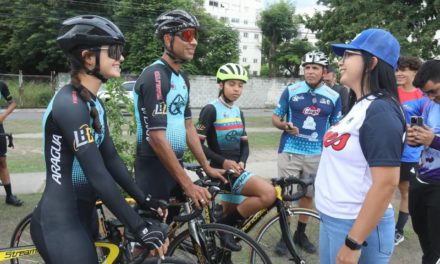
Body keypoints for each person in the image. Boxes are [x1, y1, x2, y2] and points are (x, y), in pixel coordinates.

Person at [30, 15, 168, 263]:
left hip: (86, 215)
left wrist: (144, 199)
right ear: (88, 57)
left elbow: (112, 160)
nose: (121, 58)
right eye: (114, 51)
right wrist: (140, 227)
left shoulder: (93, 103)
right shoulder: (68, 104)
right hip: (61, 221)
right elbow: (97, 174)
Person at [315, 28, 406, 264]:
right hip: (333, 218)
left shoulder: (381, 110)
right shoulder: (357, 105)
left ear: (372, 62)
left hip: (356, 226)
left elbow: (386, 183)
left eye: (348, 55)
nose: (341, 62)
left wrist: (353, 242)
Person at [133, 9, 226, 222]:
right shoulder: (155, 75)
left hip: (175, 166)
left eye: (195, 36)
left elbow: (188, 127)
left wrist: (206, 166)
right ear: (168, 38)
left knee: (172, 229)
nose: (193, 42)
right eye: (187, 35)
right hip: (153, 169)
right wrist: (187, 183)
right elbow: (156, 137)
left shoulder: (182, 77)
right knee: (151, 239)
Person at [196, 63, 276, 250]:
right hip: (220, 171)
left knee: (233, 223)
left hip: (236, 169)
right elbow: (198, 145)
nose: (237, 89)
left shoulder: (238, 111)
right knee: (268, 193)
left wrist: (241, 161)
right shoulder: (211, 109)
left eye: (240, 85)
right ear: (220, 85)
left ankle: (224, 245)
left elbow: (244, 144)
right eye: (232, 84)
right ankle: (223, 227)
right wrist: (224, 162)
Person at [272, 50, 342, 255]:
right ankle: (285, 236)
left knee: (309, 195)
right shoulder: (291, 90)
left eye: (315, 68)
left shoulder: (334, 96)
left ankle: (300, 234)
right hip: (290, 151)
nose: (310, 72)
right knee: (286, 195)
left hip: (318, 154)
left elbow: (336, 126)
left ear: (324, 71)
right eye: (307, 68)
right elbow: (276, 118)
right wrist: (285, 126)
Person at [406, 59, 440, 264]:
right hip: (421, 178)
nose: (431, 97)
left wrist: (433, 140)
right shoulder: (430, 105)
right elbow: (426, 141)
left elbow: (433, 140)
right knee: (421, 229)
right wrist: (415, 140)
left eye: (434, 91)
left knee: (437, 241)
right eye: (427, 93)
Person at [394, 55, 423, 246]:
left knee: (405, 190)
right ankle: (381, 225)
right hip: (389, 149)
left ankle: (398, 230)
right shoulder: (392, 92)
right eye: (397, 70)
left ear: (414, 72)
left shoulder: (422, 95)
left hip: (410, 153)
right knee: (384, 188)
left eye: (403, 70)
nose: (398, 73)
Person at [0, 80, 22, 206]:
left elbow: (12, 104)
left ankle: (9, 196)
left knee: (2, 161)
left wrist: (3, 116)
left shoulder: (1, 85)